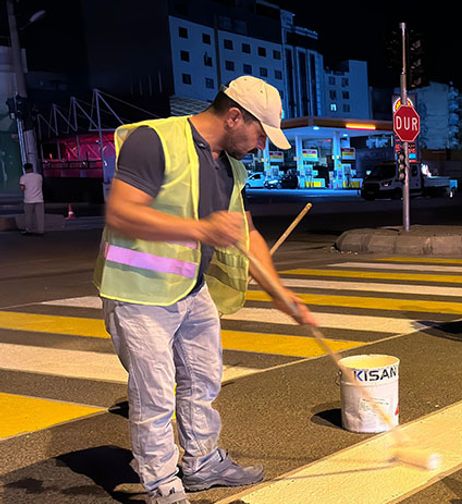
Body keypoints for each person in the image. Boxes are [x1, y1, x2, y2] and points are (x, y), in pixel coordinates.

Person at [94, 76, 317, 504]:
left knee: (202, 377)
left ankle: (200, 462)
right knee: (155, 394)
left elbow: (245, 232)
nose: (260, 146)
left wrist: (280, 294)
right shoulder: (153, 140)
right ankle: (162, 486)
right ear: (234, 116)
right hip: (139, 291)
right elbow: (121, 212)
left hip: (190, 288)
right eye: (258, 134)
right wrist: (201, 228)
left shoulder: (229, 166)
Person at [18, 162, 44, 235]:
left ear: (25, 169)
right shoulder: (39, 176)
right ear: (32, 168)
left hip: (28, 200)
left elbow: (22, 188)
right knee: (40, 216)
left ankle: (28, 230)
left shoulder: (23, 177)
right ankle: (41, 231)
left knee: (28, 216)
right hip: (39, 199)